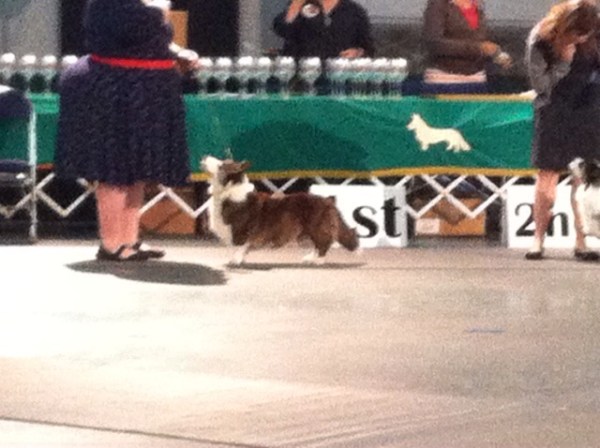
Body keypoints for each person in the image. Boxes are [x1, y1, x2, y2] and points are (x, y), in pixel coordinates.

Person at [55, 0, 196, 261]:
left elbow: (153, 40)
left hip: (145, 89)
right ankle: (111, 243)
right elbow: (128, 32)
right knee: (114, 168)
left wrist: (178, 52)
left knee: (136, 170)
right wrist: (159, 11)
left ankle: (129, 239)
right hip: (115, 88)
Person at [524, 0, 600, 261]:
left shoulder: (594, 30)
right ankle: (537, 240)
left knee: (583, 179)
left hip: (588, 109)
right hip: (553, 108)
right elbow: (541, 85)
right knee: (547, 177)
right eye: (578, 34)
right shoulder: (541, 38)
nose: (583, 39)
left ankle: (582, 242)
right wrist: (563, 63)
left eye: (587, 34)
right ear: (566, 28)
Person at [422, 0, 511, 85]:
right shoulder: (438, 4)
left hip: (477, 79)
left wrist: (494, 55)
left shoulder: (477, 5)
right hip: (445, 79)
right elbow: (434, 43)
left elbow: (478, 41)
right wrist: (478, 48)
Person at [273, 0, 375, 59]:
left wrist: (357, 53)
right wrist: (296, 5)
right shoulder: (299, 6)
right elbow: (282, 29)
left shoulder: (354, 11)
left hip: (339, 78)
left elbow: (368, 48)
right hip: (301, 77)